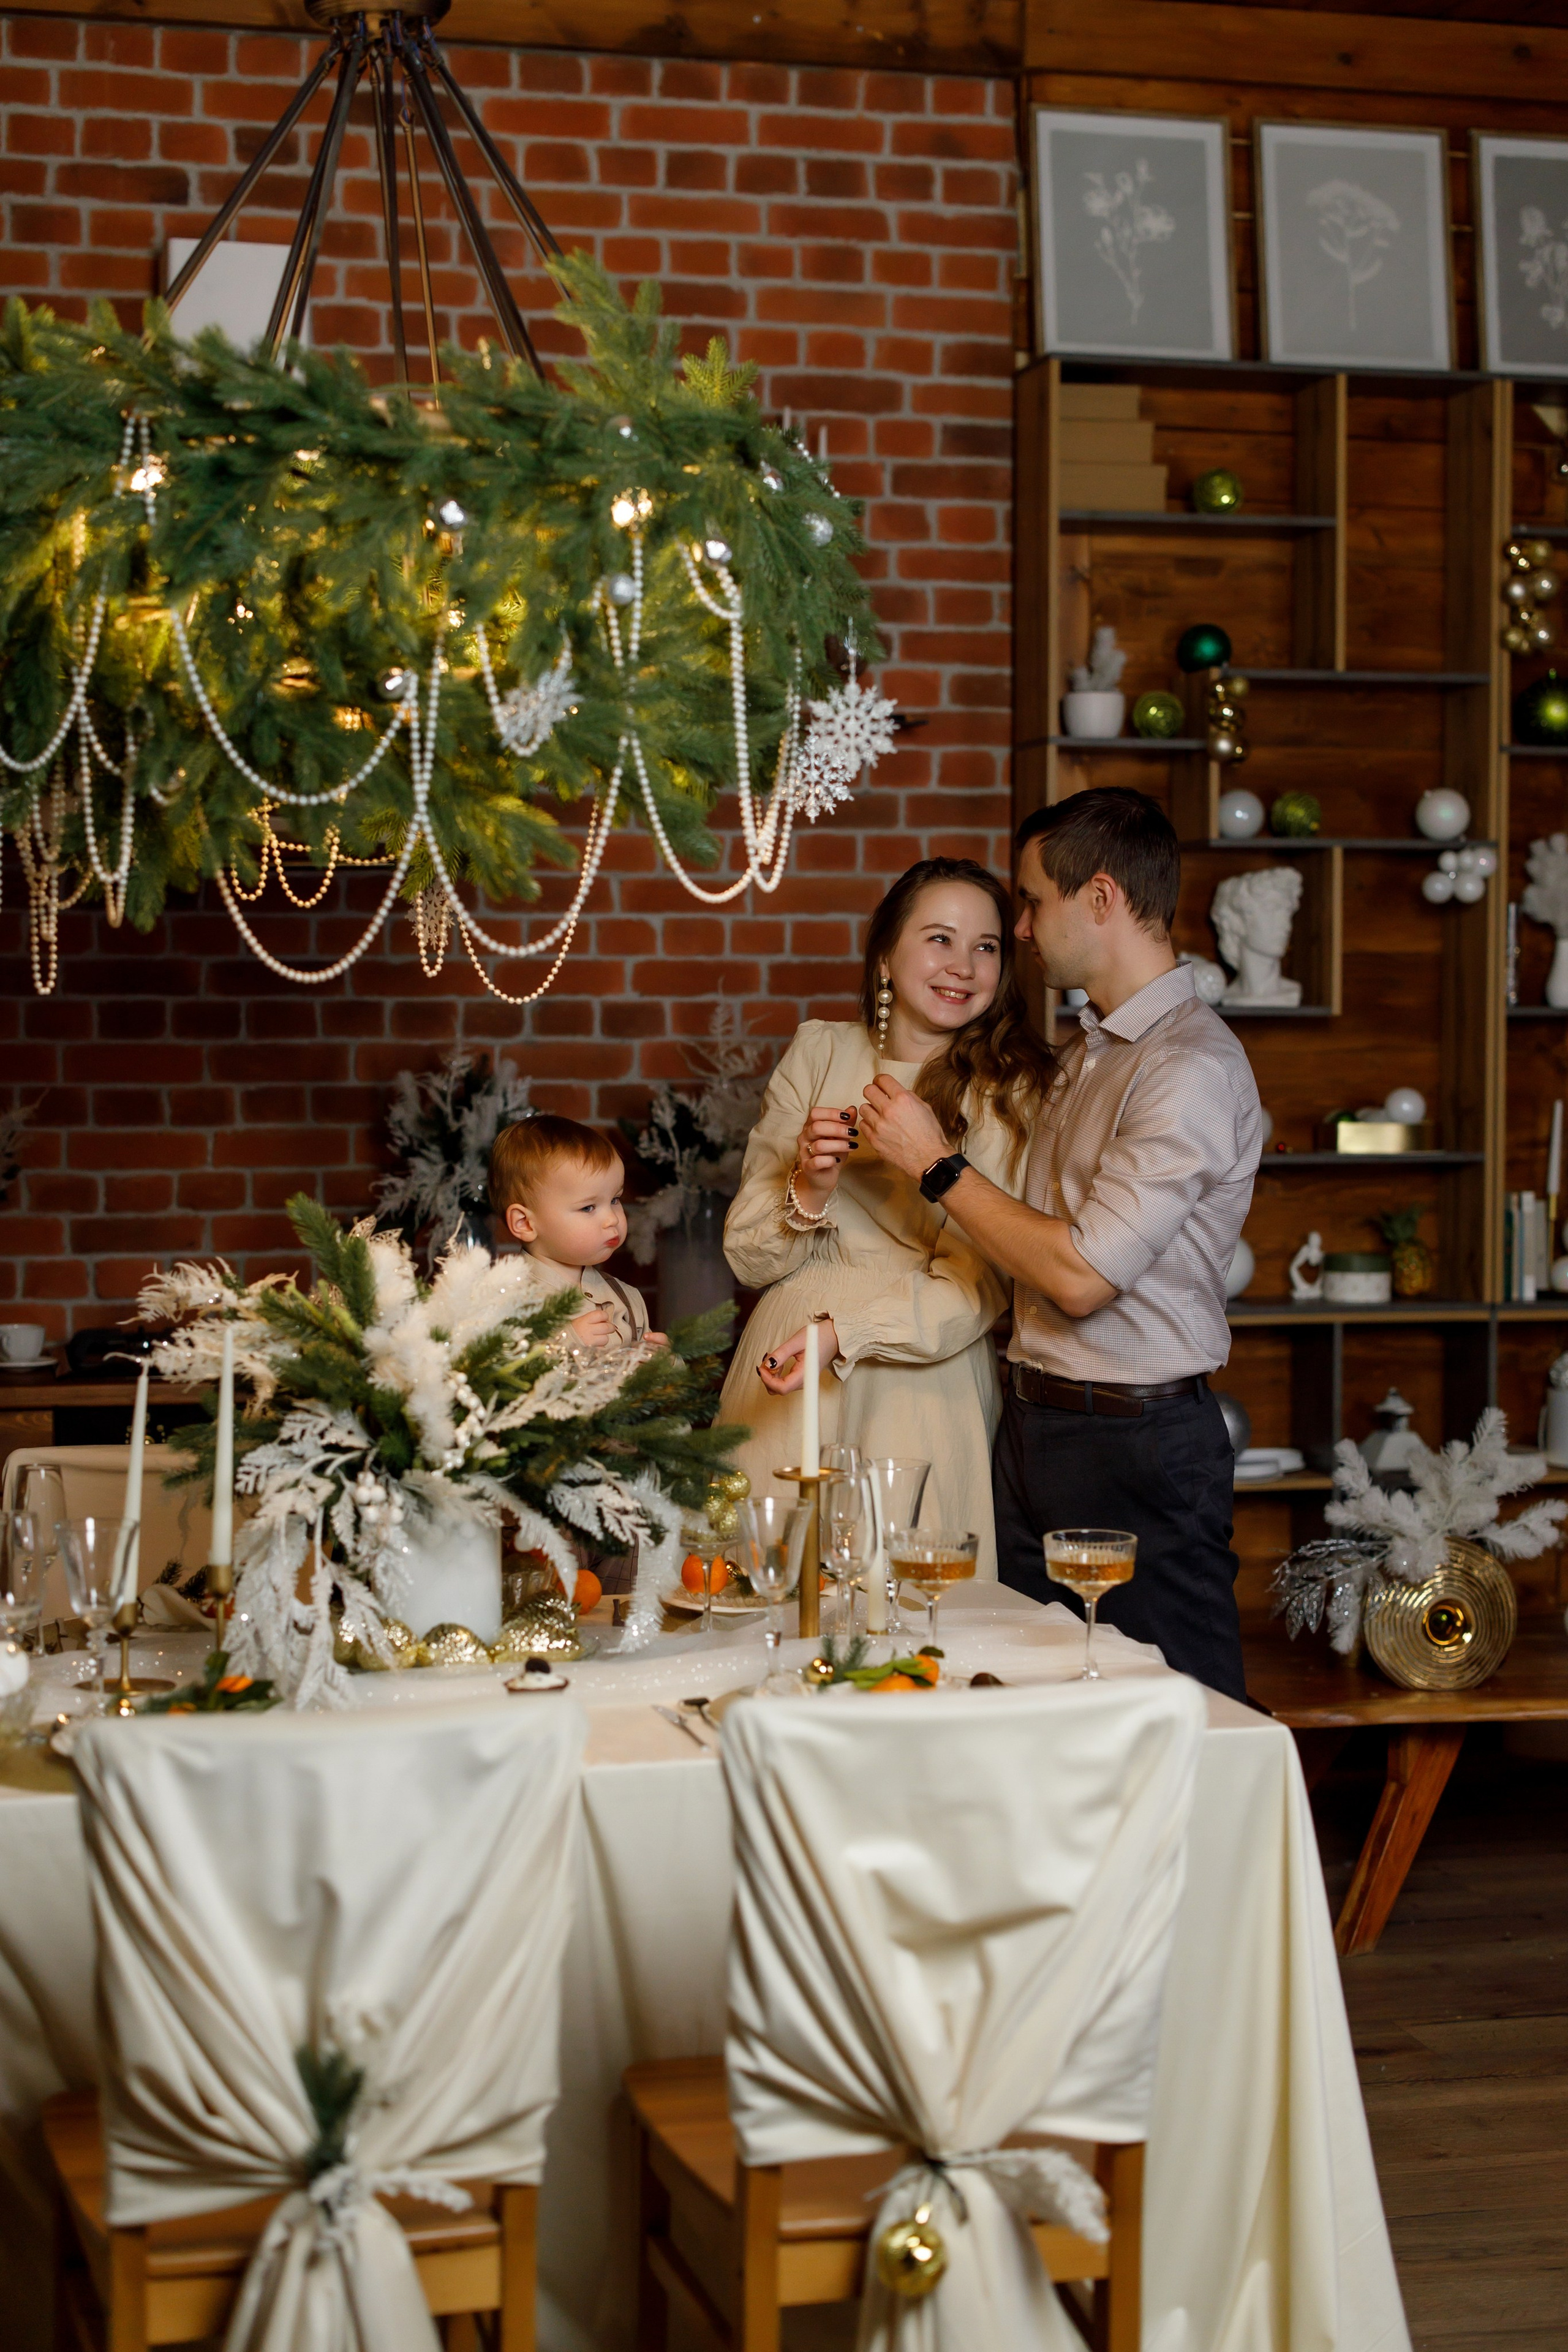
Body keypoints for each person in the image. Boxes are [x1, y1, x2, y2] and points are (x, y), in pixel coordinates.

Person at [857, 788, 1261, 1699]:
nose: (1025, 928)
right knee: (1029, 1702)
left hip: (1138, 1445)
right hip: (1036, 1425)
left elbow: (1081, 1277)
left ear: (1104, 899)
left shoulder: (1187, 1066)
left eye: (1034, 902)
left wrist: (935, 1163)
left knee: (1184, 1713)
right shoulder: (1092, 1051)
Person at [718, 858, 1055, 1574]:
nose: (963, 966)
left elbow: (980, 1285)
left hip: (917, 1383)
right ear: (886, 957)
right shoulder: (820, 1050)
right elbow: (749, 1259)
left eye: (987, 946)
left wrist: (849, 1334)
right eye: (939, 939)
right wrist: (808, 1184)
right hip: (786, 1374)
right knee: (766, 1602)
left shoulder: (1010, 1090)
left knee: (910, 1618)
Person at [490, 1115, 662, 1348]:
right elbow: (494, 1375)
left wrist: (665, 1362)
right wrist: (567, 1342)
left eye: (615, 1199)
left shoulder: (626, 1297)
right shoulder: (507, 1301)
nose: (612, 1219)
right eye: (588, 1207)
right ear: (525, 1223)